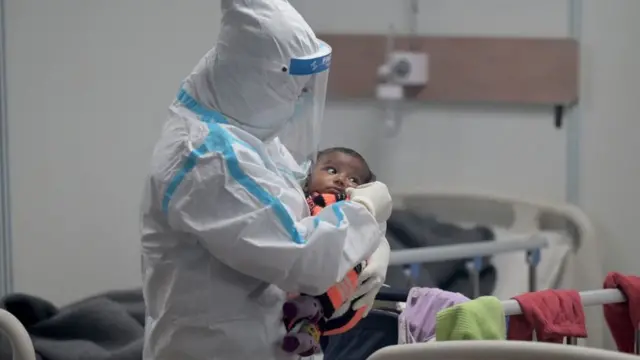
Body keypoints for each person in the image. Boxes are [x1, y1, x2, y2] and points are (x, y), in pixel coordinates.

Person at [139, 1, 393, 359]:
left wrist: (374, 245)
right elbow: (303, 259)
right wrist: (367, 211)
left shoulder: (247, 131)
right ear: (260, 78)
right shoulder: (206, 159)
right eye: (293, 88)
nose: (299, 99)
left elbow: (308, 205)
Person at [281, 147, 381, 356]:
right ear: (309, 174)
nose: (342, 180)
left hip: (336, 293)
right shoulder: (296, 199)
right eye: (332, 170)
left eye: (354, 179)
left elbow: (374, 231)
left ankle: (306, 337)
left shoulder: (355, 207)